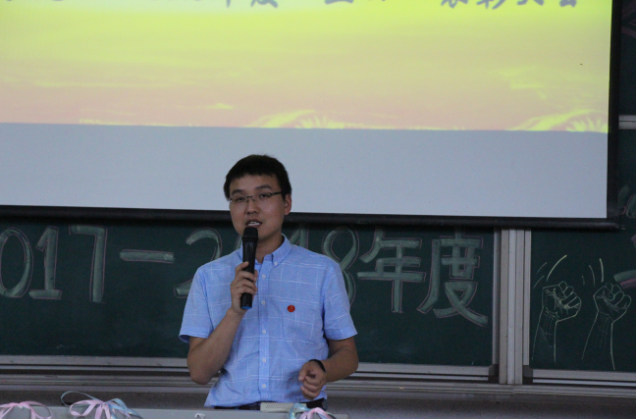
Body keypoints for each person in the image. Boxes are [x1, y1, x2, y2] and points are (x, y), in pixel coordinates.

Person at [179, 154, 358, 409]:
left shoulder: (322, 271)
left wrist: (322, 368)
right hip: (231, 413)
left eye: (263, 195)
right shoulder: (209, 276)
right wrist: (234, 313)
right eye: (239, 199)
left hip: (298, 411)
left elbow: (348, 355)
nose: (251, 207)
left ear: (286, 203)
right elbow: (199, 373)